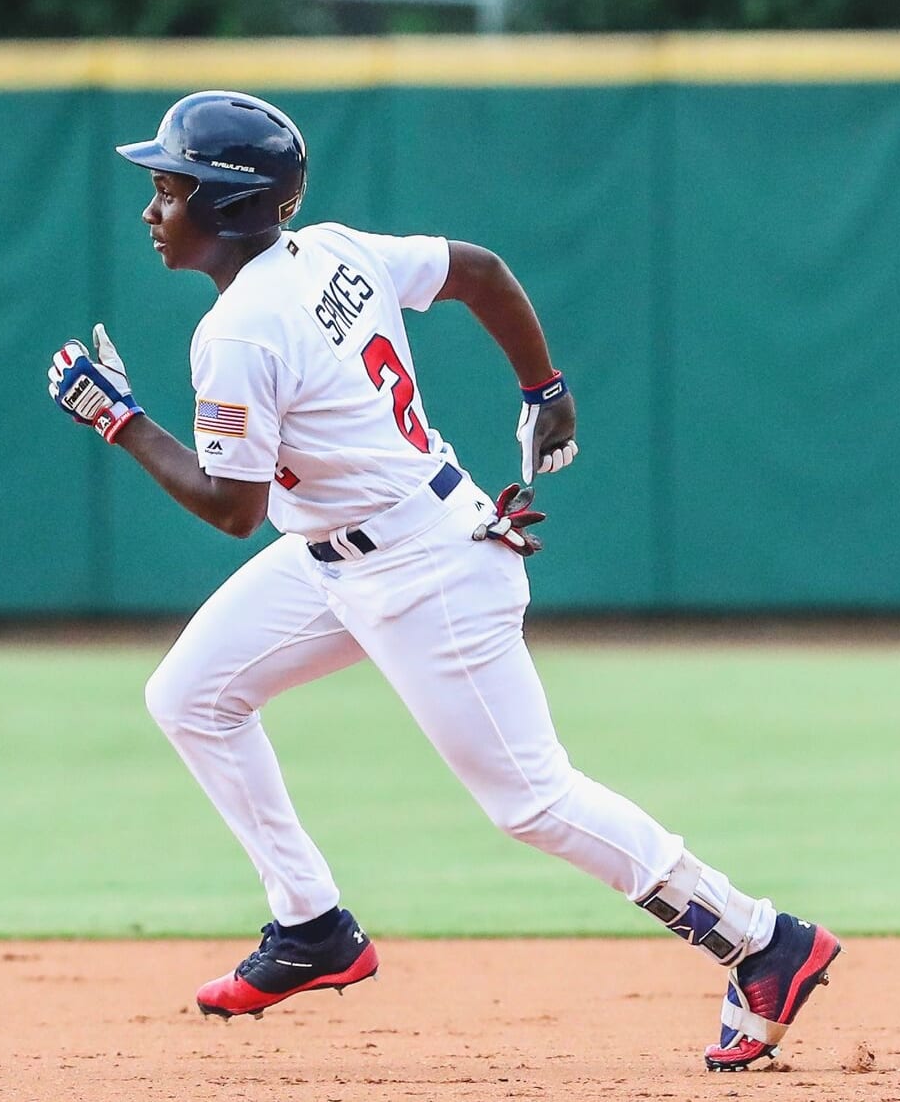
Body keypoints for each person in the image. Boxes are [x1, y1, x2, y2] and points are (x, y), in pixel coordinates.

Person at [46, 91, 838, 1070]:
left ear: (225, 203)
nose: (150, 209)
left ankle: (761, 938)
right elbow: (479, 272)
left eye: (167, 188)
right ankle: (311, 926)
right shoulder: (330, 247)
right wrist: (543, 388)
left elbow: (229, 506)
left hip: (423, 569)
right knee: (191, 695)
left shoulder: (239, 333)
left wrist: (115, 418)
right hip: (357, 543)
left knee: (530, 799)